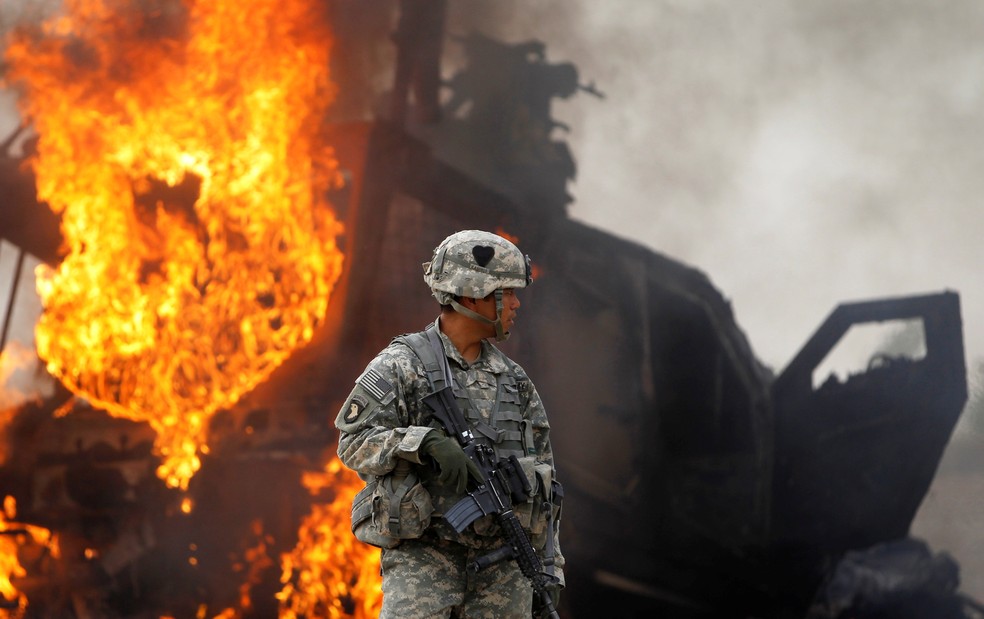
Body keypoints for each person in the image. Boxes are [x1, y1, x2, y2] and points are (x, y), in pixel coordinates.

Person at [335, 229, 564, 618]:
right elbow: (353, 442)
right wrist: (422, 443)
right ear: (473, 293)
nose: (515, 303)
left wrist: (549, 569)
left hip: (504, 565)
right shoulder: (402, 365)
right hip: (426, 560)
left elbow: (545, 482)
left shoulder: (515, 381)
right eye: (506, 292)